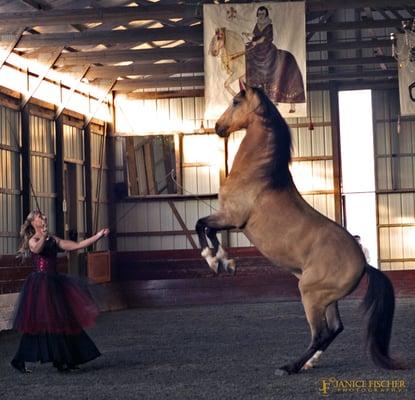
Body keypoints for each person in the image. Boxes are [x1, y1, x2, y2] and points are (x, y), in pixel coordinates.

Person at [11, 209, 109, 373]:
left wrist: (98, 235)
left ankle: (65, 359)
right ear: (33, 222)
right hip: (40, 285)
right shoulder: (33, 239)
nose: (42, 218)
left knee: (64, 321)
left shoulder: (53, 239)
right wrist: (43, 235)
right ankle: (22, 359)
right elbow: (36, 250)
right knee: (41, 324)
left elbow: (76, 246)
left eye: (42, 216)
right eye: (38, 217)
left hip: (54, 284)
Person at [244, 6, 305, 109]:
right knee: (247, 53)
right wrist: (249, 36)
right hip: (257, 48)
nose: (261, 16)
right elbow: (255, 34)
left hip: (266, 48)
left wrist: (255, 41)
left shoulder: (269, 25)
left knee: (267, 62)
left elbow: (264, 38)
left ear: (266, 15)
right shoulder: (257, 24)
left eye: (263, 14)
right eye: (259, 14)